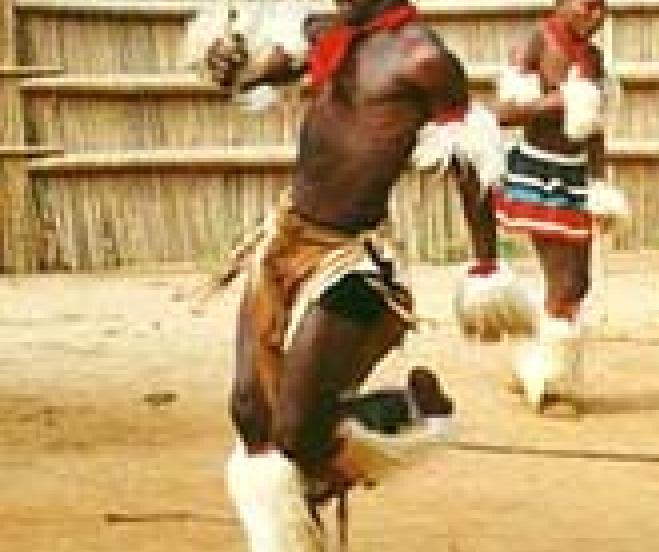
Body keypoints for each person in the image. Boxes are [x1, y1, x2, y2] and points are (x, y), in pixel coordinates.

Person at [200, 1, 507, 550]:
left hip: (350, 258)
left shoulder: (424, 58)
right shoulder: (327, 35)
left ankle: (412, 412)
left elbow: (469, 164)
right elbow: (260, 73)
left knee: (295, 430)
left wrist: (486, 267)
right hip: (285, 239)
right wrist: (234, 69)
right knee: (250, 413)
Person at [491, 0, 625, 413]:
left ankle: (534, 365)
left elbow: (595, 129)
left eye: (603, 7)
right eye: (588, 5)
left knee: (578, 281)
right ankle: (549, 384)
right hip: (539, 174)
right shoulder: (535, 42)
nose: (597, 15)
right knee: (564, 280)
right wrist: (560, 101)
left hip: (575, 174)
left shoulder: (594, 58)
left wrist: (600, 180)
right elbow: (504, 112)